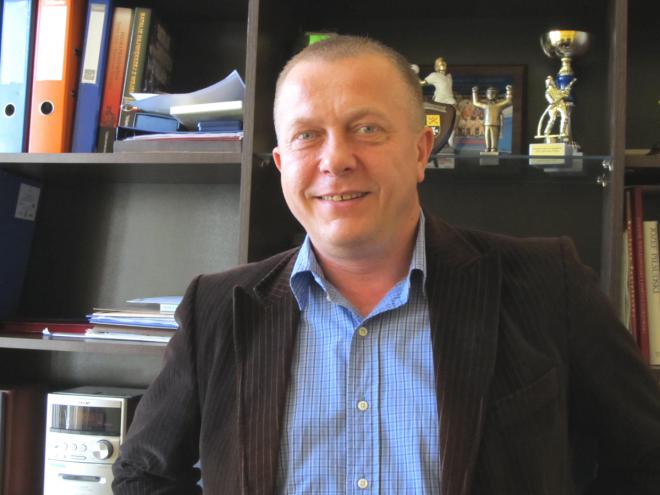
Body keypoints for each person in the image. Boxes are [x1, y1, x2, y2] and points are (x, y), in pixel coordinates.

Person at [112, 35, 660, 494]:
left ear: (421, 151)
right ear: (281, 164)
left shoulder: (546, 283)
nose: (336, 159)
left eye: (367, 128)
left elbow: (646, 460)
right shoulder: (217, 308)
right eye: (307, 136)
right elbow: (142, 475)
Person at [471, 85, 513, 152]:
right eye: (489, 93)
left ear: (496, 95)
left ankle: (494, 148)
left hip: (495, 124)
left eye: (493, 93)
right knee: (487, 136)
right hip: (486, 124)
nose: (490, 95)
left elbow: (508, 101)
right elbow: (475, 102)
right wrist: (474, 92)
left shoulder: (498, 105)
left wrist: (509, 91)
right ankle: (488, 147)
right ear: (486, 94)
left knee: (494, 137)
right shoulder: (485, 105)